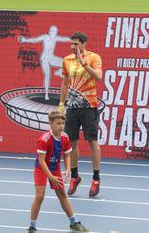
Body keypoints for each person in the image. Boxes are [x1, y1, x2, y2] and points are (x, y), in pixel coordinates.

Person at [27, 110, 89, 233]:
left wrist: (67, 169)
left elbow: (67, 155)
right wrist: (51, 177)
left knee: (62, 195)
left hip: (55, 167)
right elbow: (42, 161)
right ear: (50, 124)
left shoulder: (65, 137)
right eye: (58, 123)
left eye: (62, 123)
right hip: (41, 168)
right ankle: (32, 226)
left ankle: (74, 222)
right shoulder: (44, 139)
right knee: (39, 196)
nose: (61, 126)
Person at [59, 31, 102, 197]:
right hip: (72, 107)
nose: (73, 47)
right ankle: (75, 177)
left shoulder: (94, 57)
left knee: (93, 142)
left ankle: (96, 179)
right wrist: (62, 105)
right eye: (71, 44)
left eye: (76, 44)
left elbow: (98, 77)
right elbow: (64, 84)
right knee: (71, 143)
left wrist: (84, 64)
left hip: (89, 105)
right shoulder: (67, 60)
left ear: (84, 44)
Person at [18, 26, 70, 100]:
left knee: (64, 63)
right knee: (47, 75)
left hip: (51, 58)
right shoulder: (45, 37)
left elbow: (64, 39)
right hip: (45, 59)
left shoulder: (56, 38)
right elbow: (35, 40)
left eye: (55, 32)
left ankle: (58, 72)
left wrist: (72, 39)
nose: (54, 34)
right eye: (52, 32)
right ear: (49, 32)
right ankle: (46, 94)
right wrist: (24, 40)